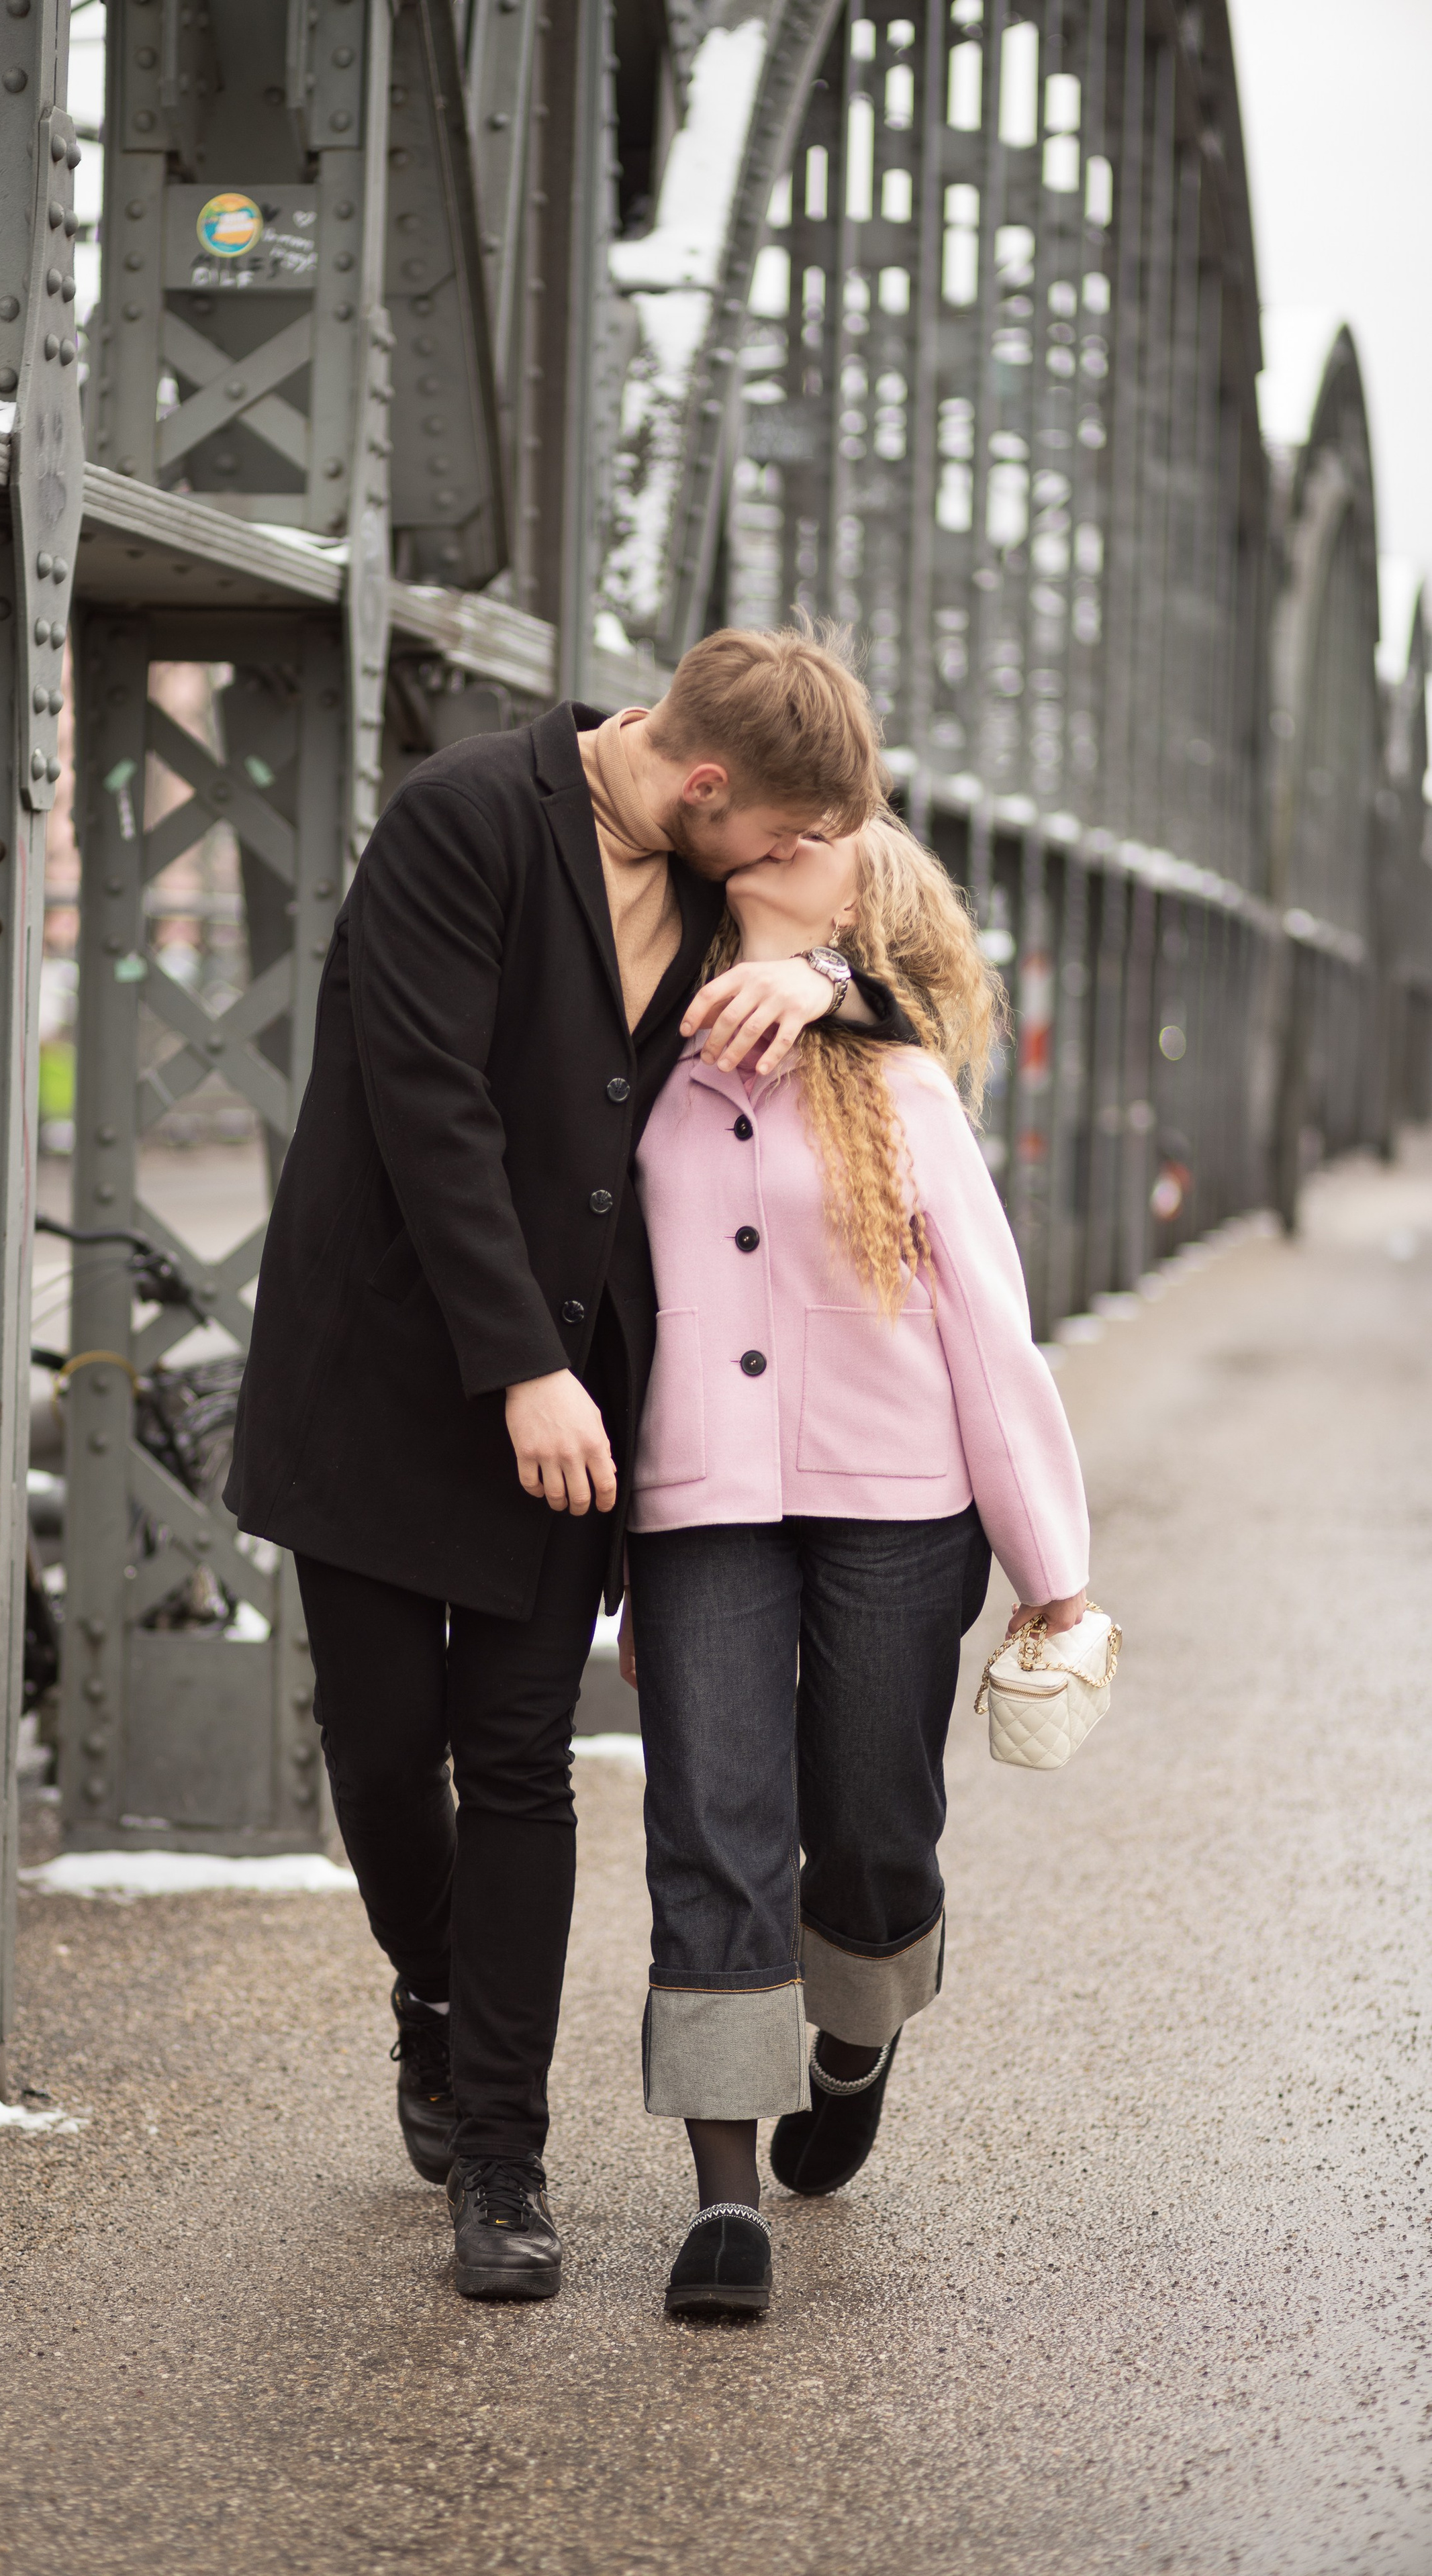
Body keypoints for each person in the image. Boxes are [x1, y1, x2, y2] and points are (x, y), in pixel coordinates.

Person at [225, 625, 887, 2302]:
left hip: (583, 1399)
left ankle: (502, 2158)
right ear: (706, 781)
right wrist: (518, 1365)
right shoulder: (460, 816)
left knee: (516, 1757)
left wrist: (826, 978)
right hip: (387, 1373)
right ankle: (435, 1991)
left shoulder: (728, 881)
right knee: (383, 1747)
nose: (788, 863)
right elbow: (426, 1103)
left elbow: (916, 961)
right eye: (778, 835)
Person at [618, 804, 1092, 2320]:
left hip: (896, 1498)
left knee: (876, 1826)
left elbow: (987, 1330)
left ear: (860, 895)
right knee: (713, 1817)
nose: (778, 833)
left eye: (819, 828)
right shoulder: (646, 1052)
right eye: (761, 820)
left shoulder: (899, 1080)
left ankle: (855, 2029)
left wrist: (1052, 1567)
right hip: (703, 1493)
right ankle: (722, 2196)